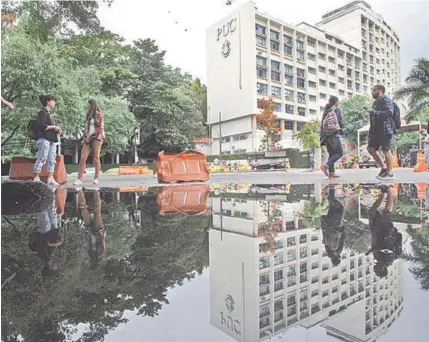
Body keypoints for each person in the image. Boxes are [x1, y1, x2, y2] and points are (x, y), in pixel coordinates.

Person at [366, 186, 402, 278]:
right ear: (383, 269)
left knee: (372, 213)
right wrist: (374, 250)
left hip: (377, 232)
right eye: (377, 270)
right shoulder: (388, 261)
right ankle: (389, 189)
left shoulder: (379, 260)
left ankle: (383, 194)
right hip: (386, 233)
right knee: (387, 212)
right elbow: (388, 249)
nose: (375, 269)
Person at [367, 85, 396, 180]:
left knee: (386, 150)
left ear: (380, 90)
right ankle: (383, 167)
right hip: (375, 131)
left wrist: (375, 112)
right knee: (371, 149)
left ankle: (390, 172)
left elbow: (389, 113)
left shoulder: (386, 100)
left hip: (385, 129)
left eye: (373, 90)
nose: (372, 92)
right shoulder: (375, 102)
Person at [74, 99, 105, 186]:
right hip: (88, 138)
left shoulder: (99, 114)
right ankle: (79, 178)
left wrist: (90, 137)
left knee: (96, 158)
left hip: (97, 138)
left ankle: (96, 178)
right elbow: (86, 127)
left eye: (88, 104)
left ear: (92, 105)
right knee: (83, 158)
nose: (87, 106)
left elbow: (99, 129)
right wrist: (86, 136)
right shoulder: (88, 114)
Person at [33, 95, 62, 186]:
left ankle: (50, 177)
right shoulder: (42, 113)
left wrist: (57, 130)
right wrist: (54, 127)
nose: (54, 102)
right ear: (48, 102)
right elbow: (42, 126)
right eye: (53, 100)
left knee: (51, 159)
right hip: (44, 139)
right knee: (42, 157)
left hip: (52, 140)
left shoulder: (49, 114)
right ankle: (36, 176)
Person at [320, 95, 344, 179]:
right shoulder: (336, 110)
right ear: (336, 102)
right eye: (338, 102)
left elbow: (322, 124)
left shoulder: (326, 110)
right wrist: (341, 130)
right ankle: (325, 166)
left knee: (332, 154)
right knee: (340, 152)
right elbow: (340, 122)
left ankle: (331, 173)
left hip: (325, 135)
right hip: (333, 134)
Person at [321, 185, 345, 267]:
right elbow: (324, 237)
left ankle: (326, 195)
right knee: (333, 206)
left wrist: (341, 230)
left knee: (340, 208)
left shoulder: (336, 250)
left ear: (338, 259)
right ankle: (332, 188)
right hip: (328, 224)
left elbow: (339, 238)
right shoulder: (328, 250)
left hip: (335, 226)